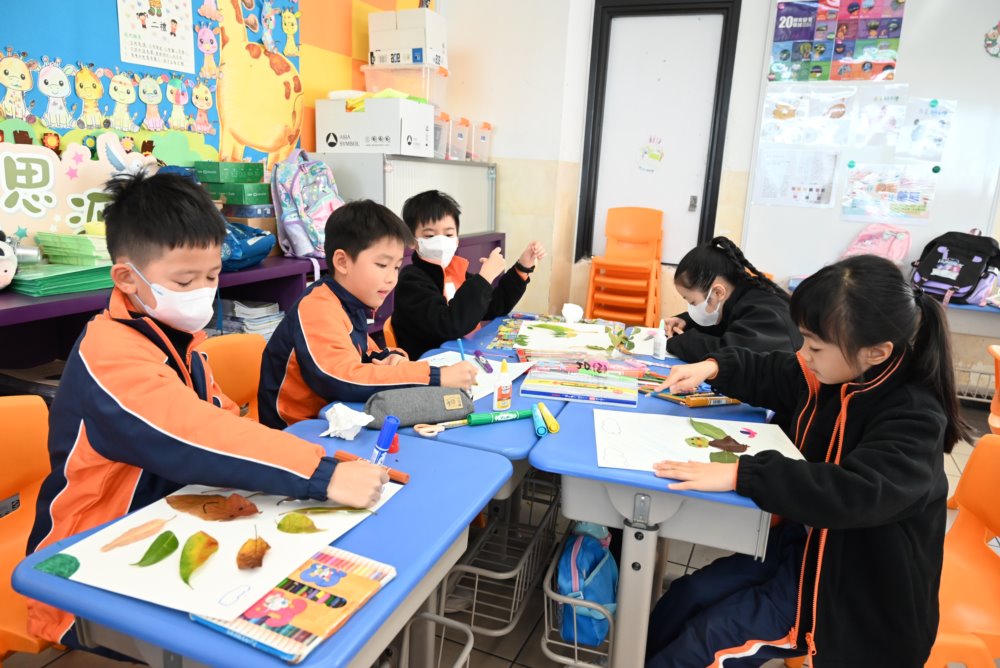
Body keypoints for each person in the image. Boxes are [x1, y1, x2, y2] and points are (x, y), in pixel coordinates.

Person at [27, 171, 388, 649]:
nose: (203, 291)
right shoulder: (109, 353)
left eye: (213, 276)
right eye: (185, 280)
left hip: (176, 516)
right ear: (127, 278)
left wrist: (327, 464)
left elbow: (224, 422)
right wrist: (323, 474)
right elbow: (193, 433)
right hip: (87, 561)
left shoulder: (182, 341)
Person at [645, 255, 967, 667]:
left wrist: (744, 474)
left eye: (814, 346)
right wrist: (713, 366)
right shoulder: (838, 371)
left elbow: (855, 491)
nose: (804, 354)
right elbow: (773, 371)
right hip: (801, 551)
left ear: (876, 352)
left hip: (846, 591)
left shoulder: (914, 417)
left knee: (700, 647)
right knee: (686, 597)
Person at [258, 199, 478, 428]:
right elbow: (342, 377)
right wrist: (436, 376)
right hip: (297, 428)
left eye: (396, 267)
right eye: (382, 265)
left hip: (337, 418)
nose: (392, 278)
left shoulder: (351, 302)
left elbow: (366, 353)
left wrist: (391, 358)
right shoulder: (318, 308)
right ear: (342, 262)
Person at [391, 190, 546, 360]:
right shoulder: (411, 280)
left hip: (462, 357)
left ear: (457, 239)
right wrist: (484, 278)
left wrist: (522, 268)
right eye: (430, 235)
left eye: (448, 234)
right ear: (412, 241)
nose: (441, 241)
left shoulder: (454, 270)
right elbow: (450, 325)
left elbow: (494, 306)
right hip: (431, 366)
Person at [662, 236, 802, 362]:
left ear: (718, 292)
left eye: (693, 303)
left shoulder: (765, 314)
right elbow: (723, 327)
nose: (692, 308)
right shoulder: (741, 296)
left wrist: (680, 342)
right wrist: (687, 322)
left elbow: (729, 355)